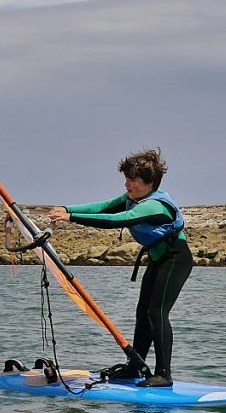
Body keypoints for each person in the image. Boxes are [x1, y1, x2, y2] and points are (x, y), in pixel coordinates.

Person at [47, 148, 192, 388]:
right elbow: (103, 207)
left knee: (156, 313)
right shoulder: (134, 198)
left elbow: (118, 220)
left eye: (132, 179)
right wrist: (67, 208)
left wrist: (72, 218)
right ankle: (136, 365)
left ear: (149, 183)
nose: (127, 184)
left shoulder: (153, 206)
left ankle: (164, 374)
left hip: (175, 259)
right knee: (142, 313)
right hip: (159, 259)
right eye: (126, 178)